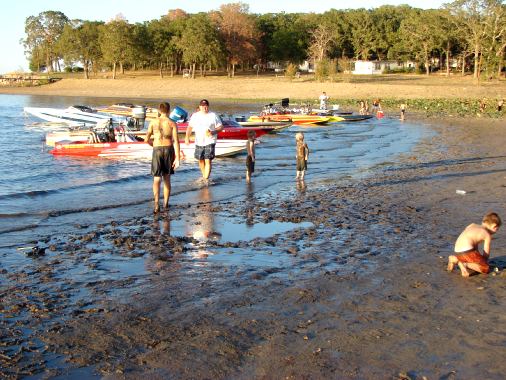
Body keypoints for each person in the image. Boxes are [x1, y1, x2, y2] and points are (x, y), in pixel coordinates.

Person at [144, 102, 180, 213]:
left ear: (159, 110)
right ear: (169, 111)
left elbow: (146, 139)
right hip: (168, 149)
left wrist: (153, 145)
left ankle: (156, 204)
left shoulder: (153, 122)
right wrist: (177, 158)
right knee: (167, 178)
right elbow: (176, 141)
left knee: (156, 178)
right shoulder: (172, 123)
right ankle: (165, 204)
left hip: (157, 149)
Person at [447, 212, 502, 277]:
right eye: (497, 229)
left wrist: (478, 258)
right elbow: (486, 253)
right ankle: (461, 262)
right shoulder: (487, 235)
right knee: (485, 268)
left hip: (457, 250)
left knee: (473, 261)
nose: (496, 231)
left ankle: (458, 259)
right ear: (494, 226)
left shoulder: (472, 225)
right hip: (466, 251)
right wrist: (483, 262)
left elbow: (473, 245)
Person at [185, 99, 224, 182]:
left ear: (208, 106)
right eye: (202, 106)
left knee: (208, 160)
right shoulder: (195, 115)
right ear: (200, 106)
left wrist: (213, 132)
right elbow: (189, 127)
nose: (204, 107)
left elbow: (221, 127)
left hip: (210, 140)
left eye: (206, 105)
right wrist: (187, 137)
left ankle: (206, 179)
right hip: (199, 141)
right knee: (200, 160)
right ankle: (204, 176)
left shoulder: (213, 115)